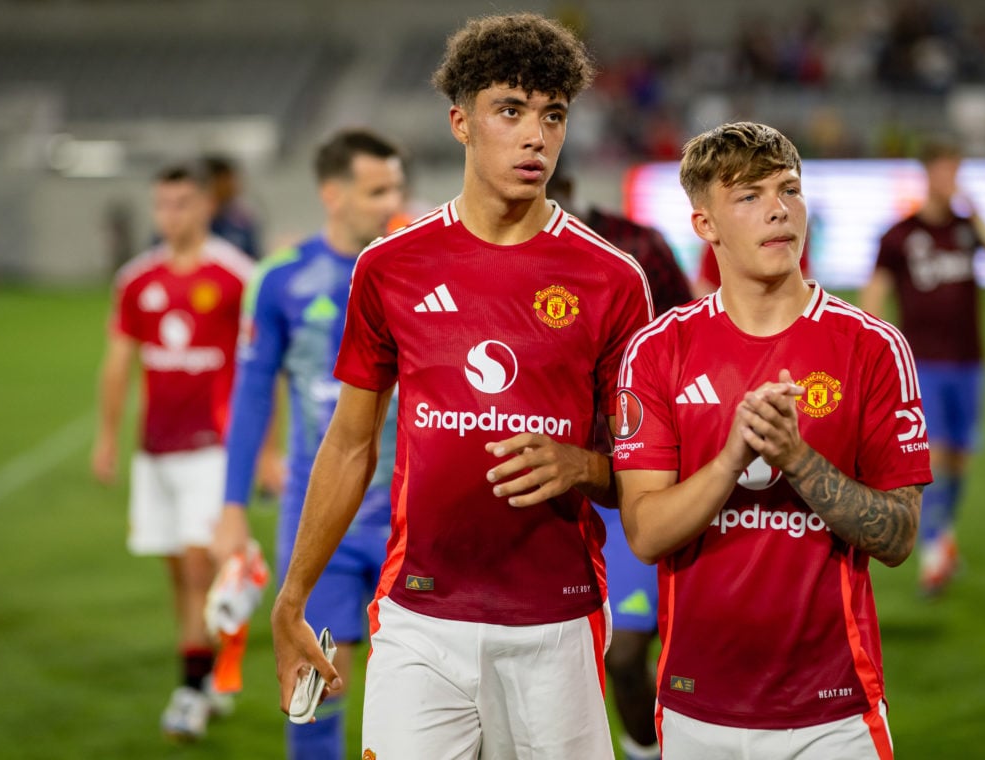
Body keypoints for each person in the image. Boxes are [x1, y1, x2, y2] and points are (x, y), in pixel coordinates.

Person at [270, 13, 653, 759]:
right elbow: (349, 445)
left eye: (553, 115)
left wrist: (582, 466)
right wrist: (292, 597)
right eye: (510, 110)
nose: (535, 136)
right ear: (461, 123)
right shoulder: (389, 267)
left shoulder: (613, 281)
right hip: (419, 619)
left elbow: (648, 476)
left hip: (557, 625)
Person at [614, 121, 931, 759]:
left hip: (834, 712)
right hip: (695, 707)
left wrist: (796, 459)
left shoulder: (871, 347)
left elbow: (897, 537)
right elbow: (645, 534)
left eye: (789, 188)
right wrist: (732, 459)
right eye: (750, 196)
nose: (779, 209)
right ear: (705, 226)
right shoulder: (658, 351)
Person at [210, 128, 406, 760]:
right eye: (377, 190)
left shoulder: (414, 269)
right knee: (312, 690)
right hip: (320, 517)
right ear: (332, 193)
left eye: (397, 187)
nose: (391, 202)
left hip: (413, 515)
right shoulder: (280, 279)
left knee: (424, 703)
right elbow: (250, 395)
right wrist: (233, 508)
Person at [91, 162, 253, 741]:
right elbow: (118, 361)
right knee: (178, 572)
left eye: (183, 203)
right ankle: (218, 666)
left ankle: (190, 690)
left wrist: (263, 447)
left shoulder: (236, 276)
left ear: (207, 207)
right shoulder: (135, 280)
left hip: (213, 447)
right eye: (163, 204)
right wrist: (108, 437)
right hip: (155, 449)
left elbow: (259, 370)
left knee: (193, 565)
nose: (171, 215)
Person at [547, 167, 694, 760]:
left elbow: (691, 332)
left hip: (671, 469)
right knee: (625, 653)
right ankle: (646, 752)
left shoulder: (639, 247)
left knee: (697, 657)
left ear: (571, 197)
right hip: (594, 482)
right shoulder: (513, 260)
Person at [860, 136, 985, 596]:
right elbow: (875, 293)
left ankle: (943, 534)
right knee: (931, 457)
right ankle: (932, 549)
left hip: (970, 360)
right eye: (944, 170)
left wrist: (982, 218)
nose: (951, 179)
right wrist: (878, 348)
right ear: (928, 173)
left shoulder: (970, 230)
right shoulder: (900, 235)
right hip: (923, 363)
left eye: (956, 170)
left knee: (960, 457)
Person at [203, 154, 262, 260]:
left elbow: (254, 257)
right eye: (228, 180)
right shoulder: (196, 220)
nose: (235, 185)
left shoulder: (242, 220)